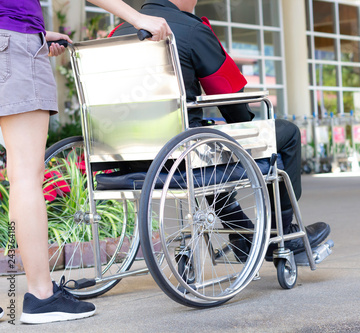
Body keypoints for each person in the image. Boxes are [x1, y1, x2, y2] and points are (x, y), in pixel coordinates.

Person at [112, 0, 330, 261]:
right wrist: (246, 124)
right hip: (182, 153)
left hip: (125, 156)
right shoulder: (189, 29)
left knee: (208, 144)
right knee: (286, 133)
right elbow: (230, 97)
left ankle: (243, 234)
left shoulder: (118, 32)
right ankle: (280, 233)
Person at [0, 0, 169, 324]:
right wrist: (138, 17)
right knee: (24, 175)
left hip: (14, 36)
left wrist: (38, 33)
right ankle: (41, 297)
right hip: (12, 43)